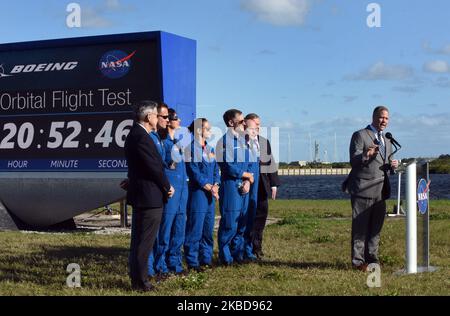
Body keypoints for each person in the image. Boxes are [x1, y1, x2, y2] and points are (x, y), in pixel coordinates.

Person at [125, 100, 174, 292]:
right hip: (149, 196)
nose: (158, 118)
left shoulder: (137, 135)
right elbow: (154, 167)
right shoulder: (141, 137)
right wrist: (166, 186)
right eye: (155, 115)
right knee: (144, 242)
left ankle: (137, 278)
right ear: (148, 117)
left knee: (140, 240)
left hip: (144, 194)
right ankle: (141, 282)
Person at [346, 106, 398, 271]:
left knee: (375, 228)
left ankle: (372, 259)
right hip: (363, 189)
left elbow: (386, 164)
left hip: (381, 190)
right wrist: (365, 155)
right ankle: (358, 262)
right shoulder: (360, 135)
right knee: (360, 228)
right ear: (374, 117)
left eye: (387, 118)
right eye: (382, 117)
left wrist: (393, 166)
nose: (384, 121)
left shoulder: (388, 140)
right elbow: (353, 160)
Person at [216, 109, 254, 265]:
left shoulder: (244, 142)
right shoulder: (224, 142)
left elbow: (249, 163)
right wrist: (245, 176)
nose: (244, 123)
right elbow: (228, 167)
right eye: (241, 121)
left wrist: (247, 181)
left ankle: (237, 254)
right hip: (231, 187)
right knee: (230, 224)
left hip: (243, 187)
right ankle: (226, 258)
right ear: (231, 123)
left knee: (241, 224)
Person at [154, 109, 189, 276]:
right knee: (165, 230)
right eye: (175, 118)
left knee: (179, 229)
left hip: (182, 191)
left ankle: (175, 263)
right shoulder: (164, 143)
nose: (179, 120)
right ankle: (160, 266)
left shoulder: (178, 142)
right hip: (172, 191)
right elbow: (163, 166)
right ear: (168, 121)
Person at [184, 118, 220, 271]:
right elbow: (194, 172)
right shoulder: (190, 149)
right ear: (199, 130)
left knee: (207, 228)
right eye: (208, 129)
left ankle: (206, 258)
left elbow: (215, 170)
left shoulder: (210, 149)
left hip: (210, 195)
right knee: (195, 228)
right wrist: (209, 187)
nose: (210, 132)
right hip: (198, 194)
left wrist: (216, 185)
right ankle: (193, 261)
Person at [245, 114, 280, 259]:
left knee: (261, 216)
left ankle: (257, 247)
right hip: (248, 185)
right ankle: (245, 247)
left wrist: (274, 184)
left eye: (259, 125)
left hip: (262, 185)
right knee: (247, 217)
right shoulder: (241, 142)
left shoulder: (264, 142)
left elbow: (271, 163)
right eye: (255, 124)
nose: (258, 127)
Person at [147, 102, 171, 278]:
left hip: (159, 190)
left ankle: (158, 266)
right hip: (152, 190)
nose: (167, 120)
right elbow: (155, 167)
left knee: (162, 231)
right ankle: (148, 270)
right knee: (151, 234)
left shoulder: (159, 139)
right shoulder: (150, 138)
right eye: (163, 117)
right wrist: (167, 185)